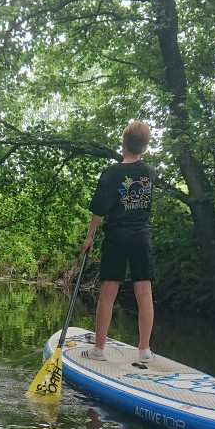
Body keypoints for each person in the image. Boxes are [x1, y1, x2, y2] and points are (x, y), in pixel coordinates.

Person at [81, 120, 157, 362]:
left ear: (123, 143)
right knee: (144, 291)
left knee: (108, 291)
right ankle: (144, 349)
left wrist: (90, 236)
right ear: (144, 147)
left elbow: (99, 209)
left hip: (116, 236)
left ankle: (99, 349)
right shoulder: (150, 173)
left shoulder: (112, 173)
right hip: (141, 237)